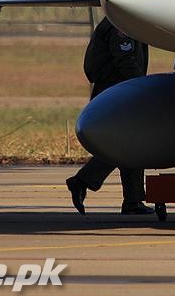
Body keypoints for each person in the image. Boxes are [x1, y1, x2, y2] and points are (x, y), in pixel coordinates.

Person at [66, 18, 152, 215]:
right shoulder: (121, 25)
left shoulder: (124, 22)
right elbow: (125, 60)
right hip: (117, 90)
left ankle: (133, 201)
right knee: (128, 144)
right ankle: (83, 180)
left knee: (133, 144)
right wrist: (145, 87)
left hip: (119, 88)